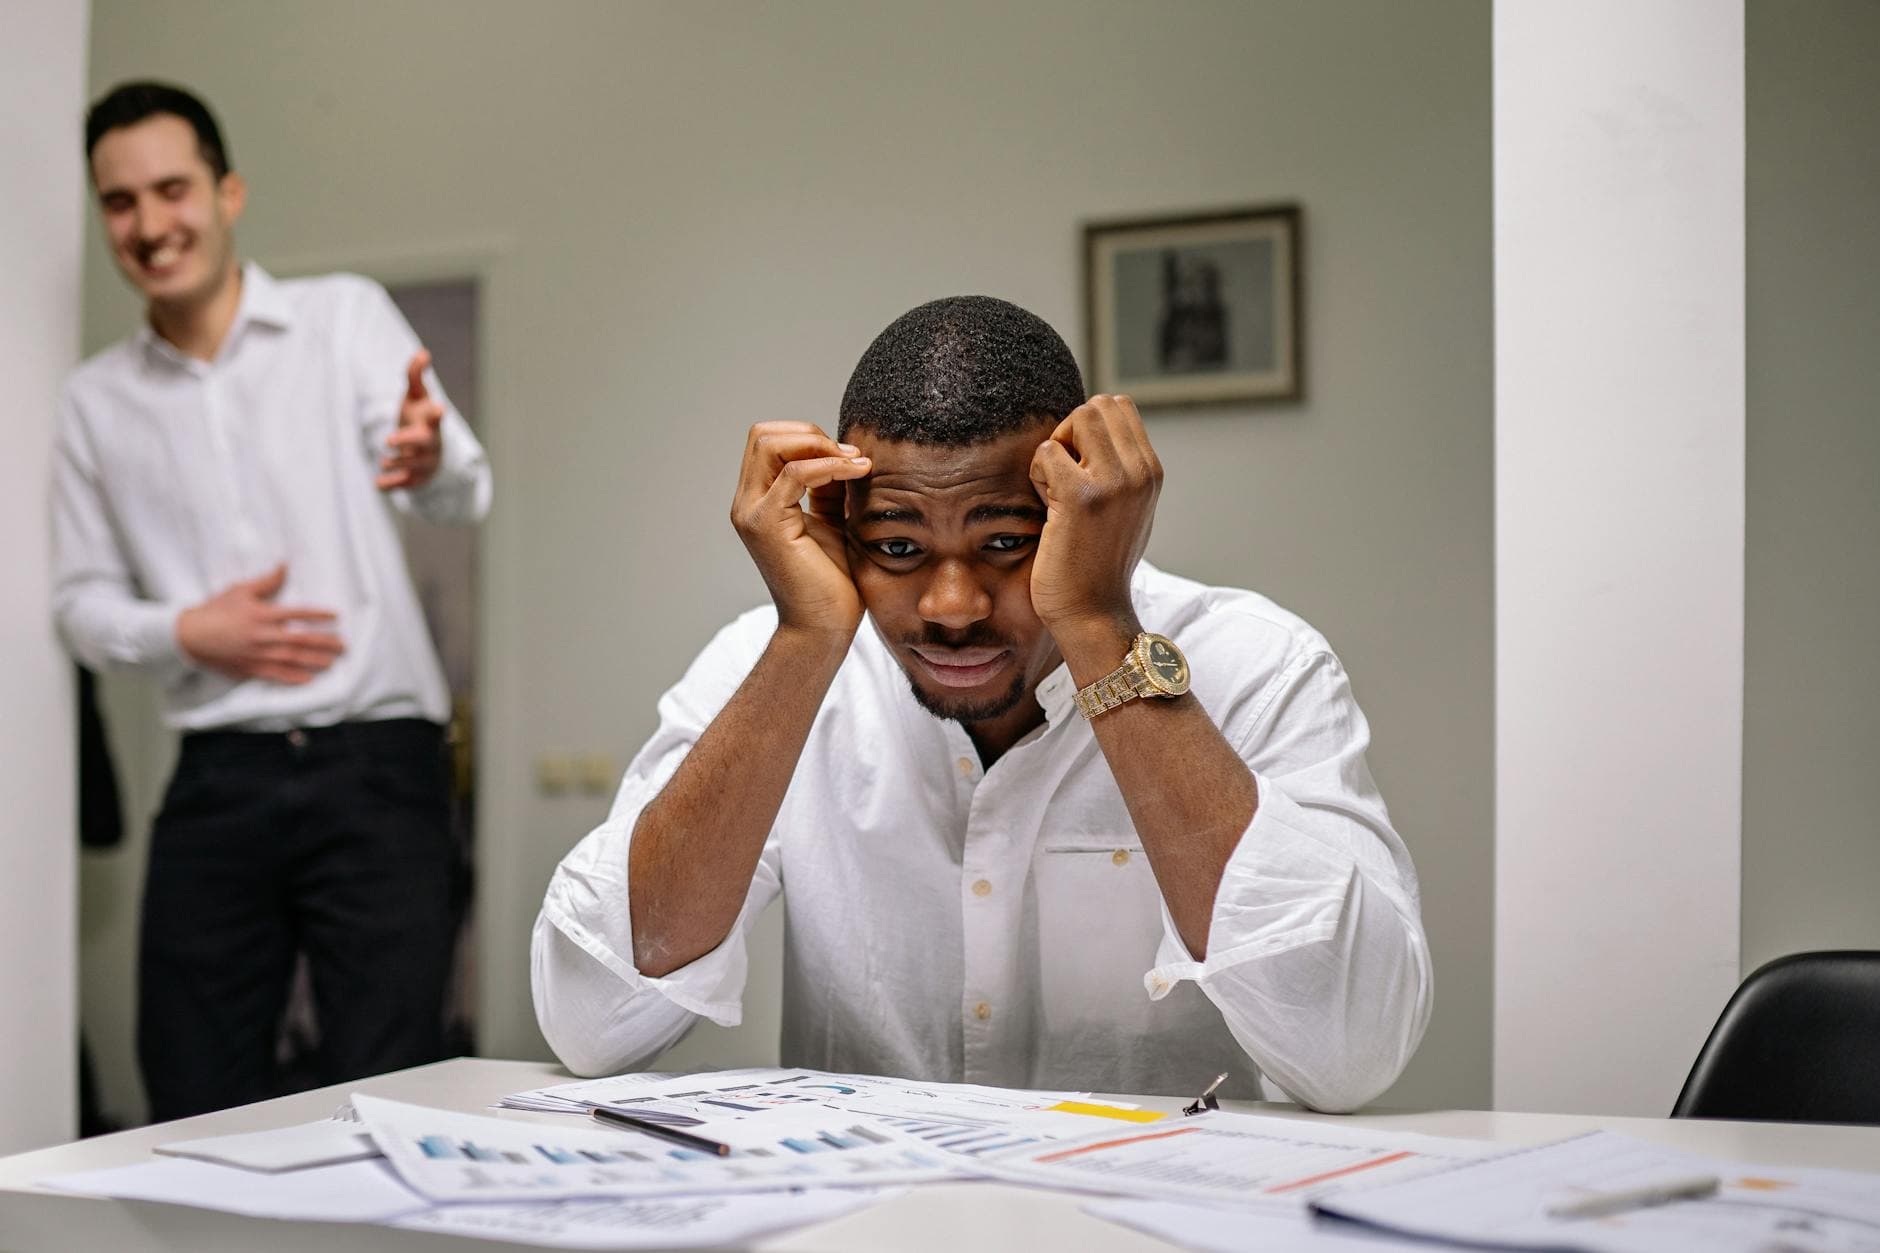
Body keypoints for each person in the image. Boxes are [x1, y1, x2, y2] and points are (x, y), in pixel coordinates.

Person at [532, 297, 1427, 1111]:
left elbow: (1350, 1051)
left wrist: (1097, 623)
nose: (951, 606)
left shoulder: (1258, 665)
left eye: (1005, 542)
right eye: (897, 545)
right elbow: (591, 1019)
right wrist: (805, 643)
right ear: (841, 524)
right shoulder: (777, 664)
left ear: (1083, 509)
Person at [52, 81, 492, 1121]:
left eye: (172, 189)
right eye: (121, 203)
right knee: (190, 1089)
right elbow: (76, 601)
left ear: (227, 189)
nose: (152, 225)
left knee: (394, 1090)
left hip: (379, 767)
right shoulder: (92, 401)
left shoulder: (343, 319)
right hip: (218, 780)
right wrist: (183, 631)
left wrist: (428, 456)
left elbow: (465, 489)